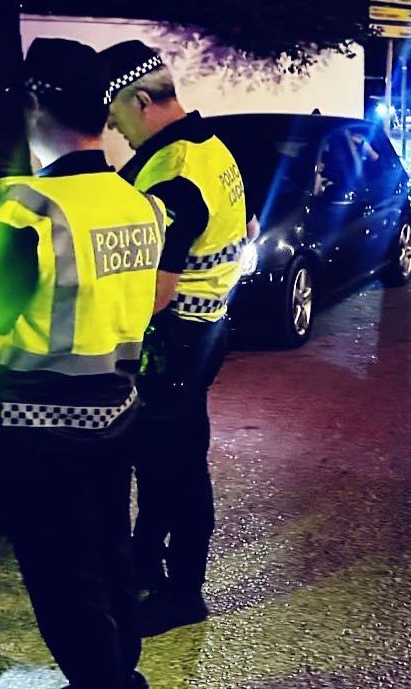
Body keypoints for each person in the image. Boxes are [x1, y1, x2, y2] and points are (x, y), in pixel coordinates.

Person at [0, 38, 171, 689]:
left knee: (63, 580)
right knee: (109, 557)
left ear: (35, 105)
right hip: (117, 416)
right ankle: (123, 673)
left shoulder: (25, 216)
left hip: (40, 434)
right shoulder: (139, 203)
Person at [99, 39, 251, 637]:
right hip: (205, 330)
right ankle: (145, 556)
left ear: (141, 99)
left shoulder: (176, 175)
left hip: (176, 338)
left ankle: (183, 593)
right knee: (167, 462)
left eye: (116, 116)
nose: (115, 129)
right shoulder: (206, 148)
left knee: (178, 470)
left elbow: (155, 290)